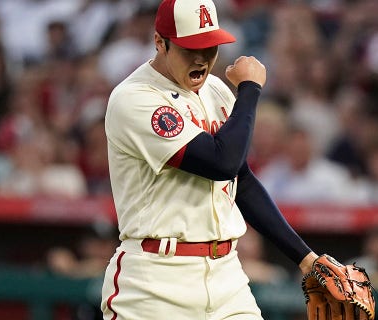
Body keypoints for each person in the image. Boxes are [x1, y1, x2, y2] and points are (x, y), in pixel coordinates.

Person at [101, 0, 321, 318]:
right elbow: (221, 163)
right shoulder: (134, 98)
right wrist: (249, 88)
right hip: (155, 281)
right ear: (160, 43)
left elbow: (240, 180)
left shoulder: (216, 89)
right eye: (190, 48)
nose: (202, 58)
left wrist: (306, 259)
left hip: (226, 275)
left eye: (209, 47)